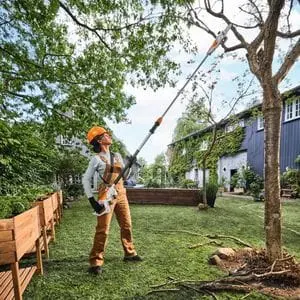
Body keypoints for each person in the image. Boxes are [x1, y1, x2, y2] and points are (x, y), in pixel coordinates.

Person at [82, 126, 142, 275]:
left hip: (121, 192)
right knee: (103, 229)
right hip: (106, 193)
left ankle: (129, 253)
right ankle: (95, 261)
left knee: (126, 224)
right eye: (105, 134)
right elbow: (85, 179)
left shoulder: (117, 155)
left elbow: (124, 176)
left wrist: (131, 164)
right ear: (99, 140)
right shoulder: (96, 159)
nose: (109, 135)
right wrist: (92, 201)